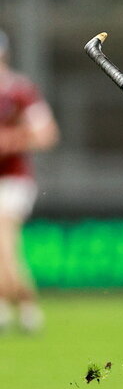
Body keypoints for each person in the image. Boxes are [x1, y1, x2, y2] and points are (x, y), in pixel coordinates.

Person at [0, 31, 59, 333]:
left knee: (4, 241)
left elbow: (46, 133)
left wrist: (10, 140)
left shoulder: (19, 91)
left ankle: (25, 303)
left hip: (13, 179)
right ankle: (12, 307)